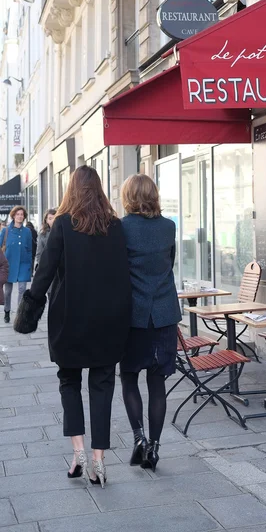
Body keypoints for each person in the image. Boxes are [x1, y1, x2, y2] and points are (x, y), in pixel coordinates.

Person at [22, 166, 131, 487]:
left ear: (71, 190)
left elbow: (43, 273)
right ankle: (99, 459)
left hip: (69, 317)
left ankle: (79, 452)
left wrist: (28, 310)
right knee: (102, 385)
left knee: (69, 381)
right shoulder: (115, 226)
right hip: (109, 319)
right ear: (99, 191)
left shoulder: (64, 226)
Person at [120, 174, 181, 472]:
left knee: (129, 378)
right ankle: (154, 448)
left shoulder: (121, 228)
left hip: (133, 316)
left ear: (128, 196)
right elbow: (170, 262)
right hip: (165, 315)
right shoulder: (169, 227)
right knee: (157, 385)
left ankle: (139, 439)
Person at [0, 206, 32, 323]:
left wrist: (29, 264)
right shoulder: (5, 231)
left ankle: (19, 314)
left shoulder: (27, 232)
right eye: (18, 214)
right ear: (13, 215)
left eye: (22, 214)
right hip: (9, 265)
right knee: (7, 292)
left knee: (22, 289)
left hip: (23, 265)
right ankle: (7, 311)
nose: (20, 216)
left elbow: (29, 249)